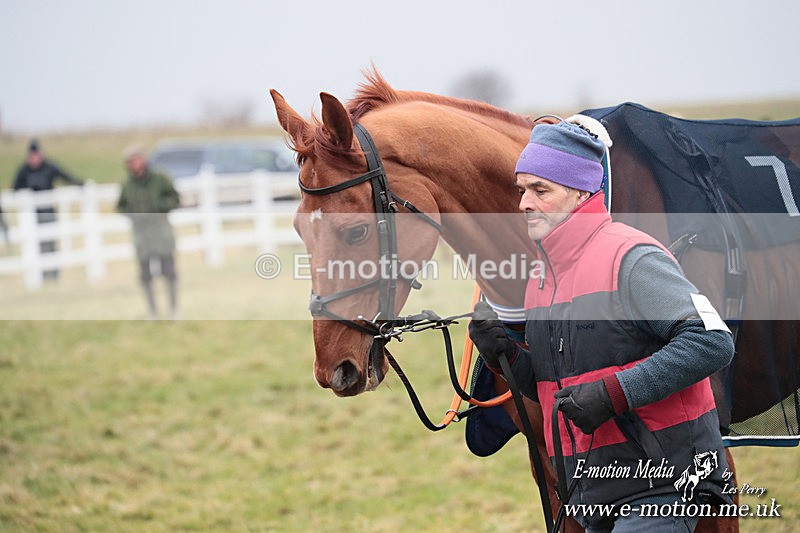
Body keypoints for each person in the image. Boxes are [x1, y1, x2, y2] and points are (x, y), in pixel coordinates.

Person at [468, 119, 735, 532]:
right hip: (591, 494)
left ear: (580, 193)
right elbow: (555, 385)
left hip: (663, 487)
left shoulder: (631, 257)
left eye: (541, 190)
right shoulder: (542, 279)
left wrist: (614, 394)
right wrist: (502, 354)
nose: (524, 203)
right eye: (522, 189)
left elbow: (712, 342)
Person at [117, 146, 181, 320]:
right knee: (145, 275)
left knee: (169, 272)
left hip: (161, 232)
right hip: (142, 235)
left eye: (137, 159)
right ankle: (153, 312)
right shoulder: (128, 185)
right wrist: (134, 214)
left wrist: (160, 207)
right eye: (131, 161)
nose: (135, 164)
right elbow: (121, 206)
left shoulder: (160, 179)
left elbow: (175, 199)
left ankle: (174, 310)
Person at [13, 139, 84, 279]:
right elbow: (15, 189)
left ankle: (53, 275)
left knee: (51, 242)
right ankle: (40, 275)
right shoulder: (24, 170)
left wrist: (79, 184)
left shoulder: (49, 167)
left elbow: (65, 176)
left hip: (48, 211)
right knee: (36, 245)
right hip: (32, 215)